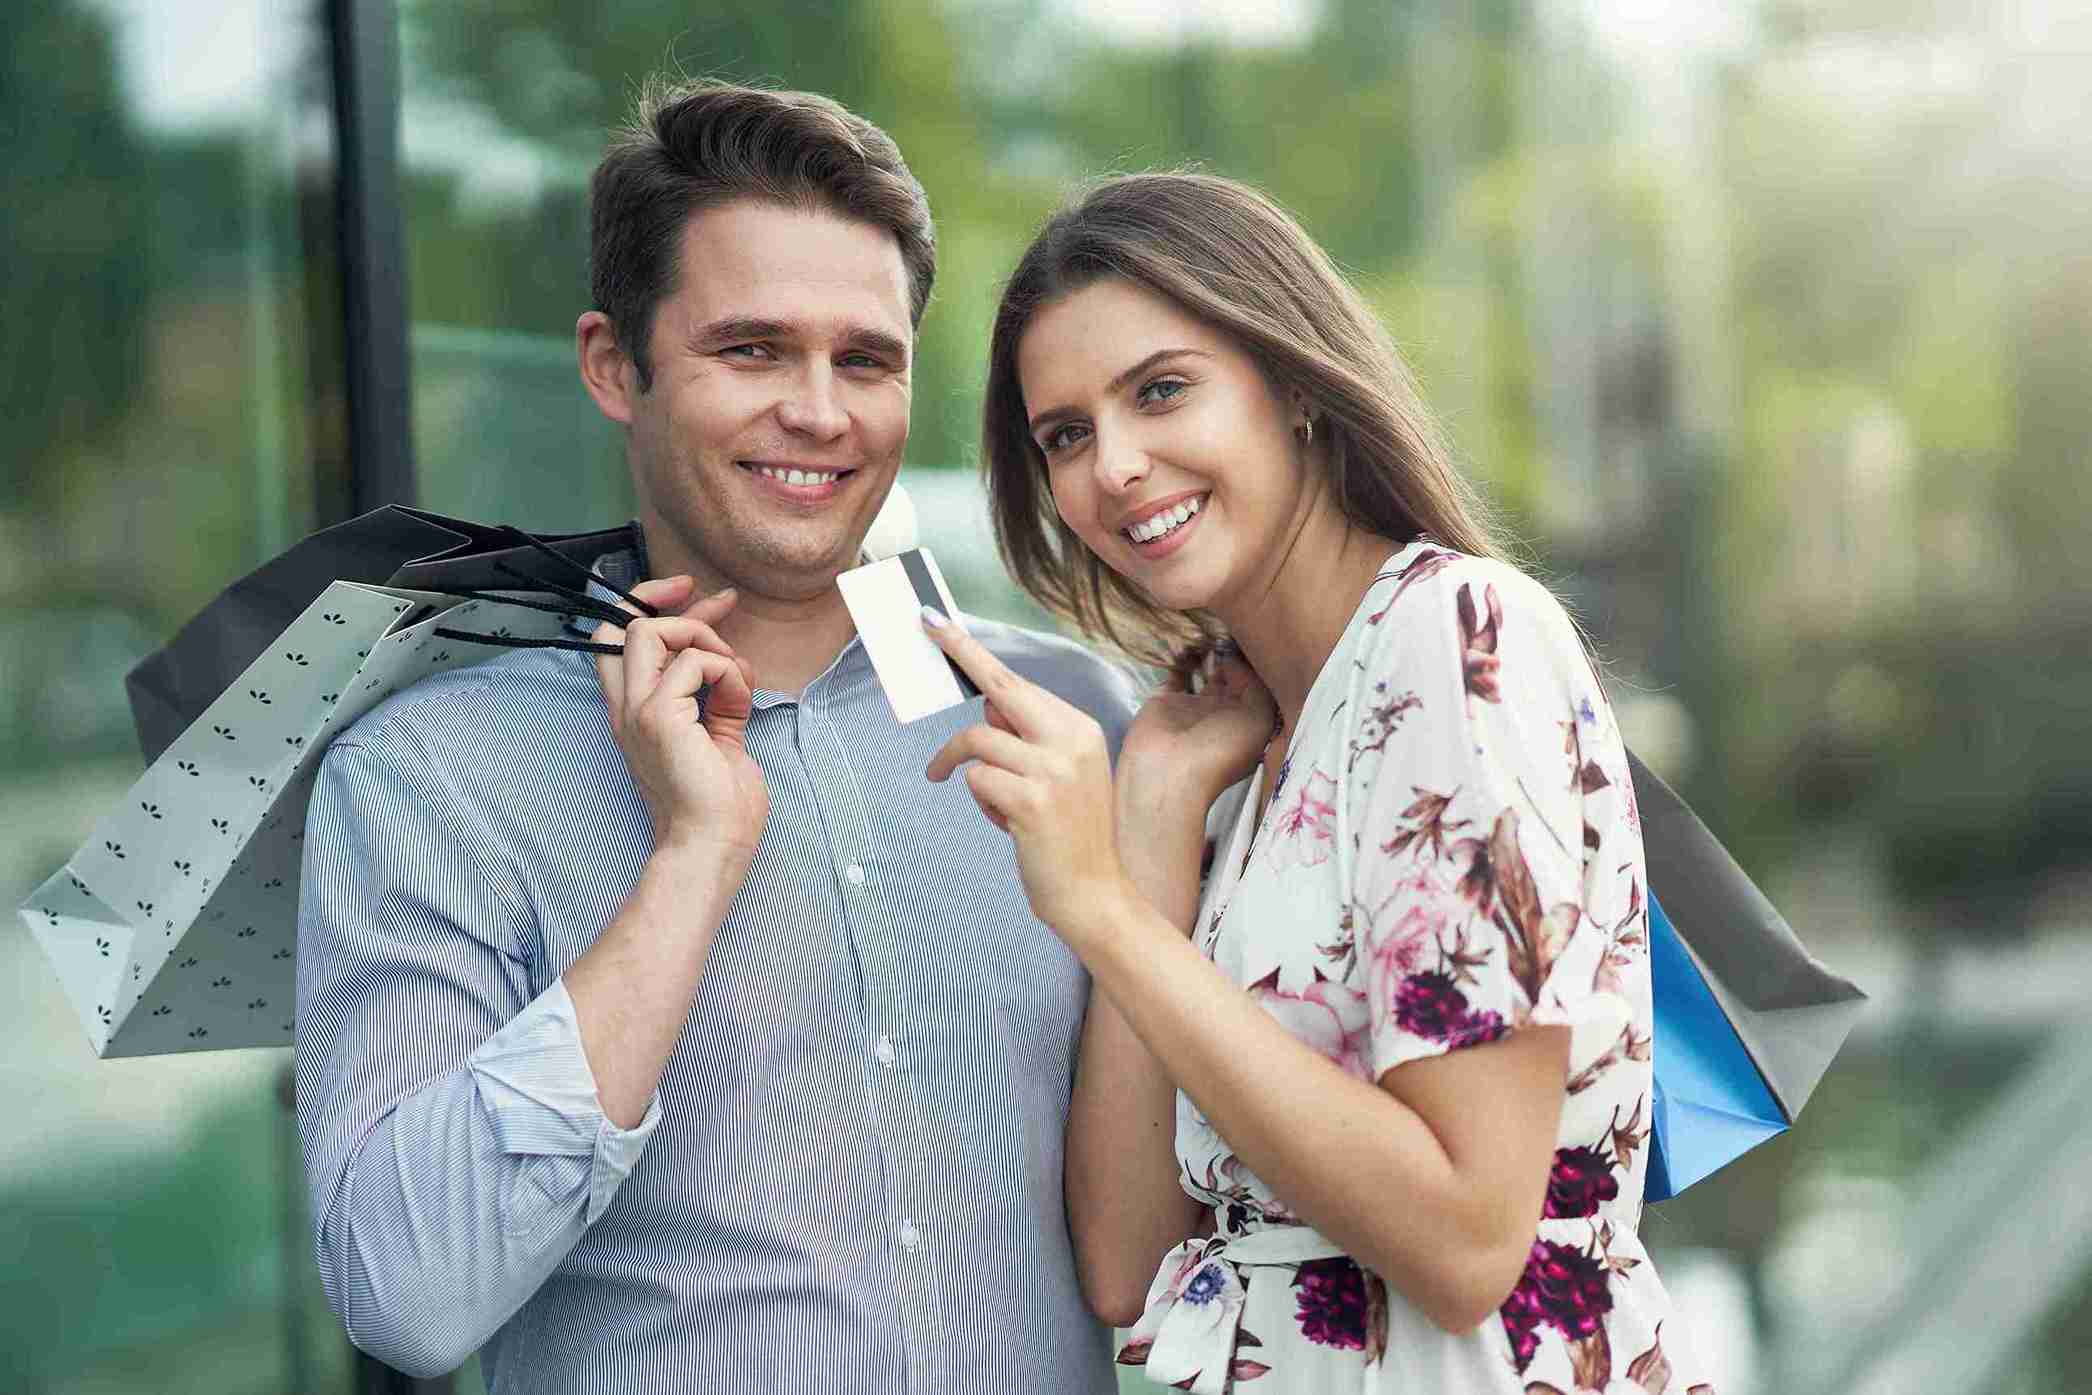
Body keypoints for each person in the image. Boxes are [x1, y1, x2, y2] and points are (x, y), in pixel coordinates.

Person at [293, 79, 1135, 1393]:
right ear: (612, 366)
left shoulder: (1075, 724)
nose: (819, 411)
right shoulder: (426, 773)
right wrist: (690, 856)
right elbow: (406, 1292)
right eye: (752, 350)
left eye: (865, 359)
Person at [918, 171, 1712, 1393]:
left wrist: (1100, 910)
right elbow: (1127, 1264)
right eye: (1064, 435)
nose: (1114, 467)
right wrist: (1152, 820)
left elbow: (1463, 1242)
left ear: (1290, 386)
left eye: (1161, 390)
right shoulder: (1237, 747)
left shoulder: (1451, 640)